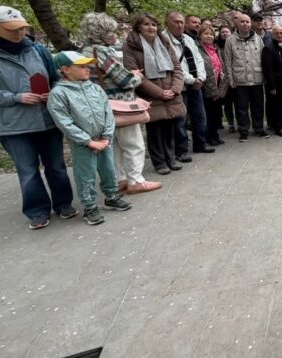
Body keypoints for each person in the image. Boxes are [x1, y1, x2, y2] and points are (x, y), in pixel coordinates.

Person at [0, 5, 74, 229]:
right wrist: (16, 97)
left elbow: (55, 79)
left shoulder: (38, 50)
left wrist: (54, 92)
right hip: (14, 125)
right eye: (11, 29)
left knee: (57, 165)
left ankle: (63, 203)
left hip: (47, 119)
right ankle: (37, 210)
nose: (19, 33)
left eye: (22, 28)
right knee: (27, 170)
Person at [77, 12, 161, 195]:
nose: (115, 34)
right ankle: (136, 181)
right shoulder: (101, 52)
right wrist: (137, 76)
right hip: (119, 105)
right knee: (133, 144)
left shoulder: (84, 51)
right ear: (104, 32)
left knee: (114, 145)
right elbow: (125, 80)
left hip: (100, 106)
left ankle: (119, 179)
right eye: (112, 31)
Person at [47, 51, 132, 225]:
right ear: (65, 69)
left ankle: (111, 196)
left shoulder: (95, 88)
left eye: (87, 66)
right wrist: (88, 141)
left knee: (108, 169)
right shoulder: (58, 93)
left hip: (103, 139)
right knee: (86, 174)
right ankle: (90, 206)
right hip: (83, 143)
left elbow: (108, 112)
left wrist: (107, 136)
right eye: (81, 66)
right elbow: (63, 122)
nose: (87, 69)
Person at [122, 12, 186, 175]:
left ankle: (171, 158)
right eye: (146, 24)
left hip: (170, 91)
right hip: (150, 94)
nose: (151, 28)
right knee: (155, 129)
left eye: (154, 24)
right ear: (138, 27)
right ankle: (159, 162)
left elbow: (177, 68)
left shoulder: (164, 42)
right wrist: (159, 93)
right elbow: (134, 73)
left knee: (170, 126)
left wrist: (174, 89)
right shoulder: (130, 46)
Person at [163, 11, 213, 159]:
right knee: (181, 119)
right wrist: (192, 80)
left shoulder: (188, 39)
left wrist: (201, 78)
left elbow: (198, 59)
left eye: (181, 22)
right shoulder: (163, 40)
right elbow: (174, 65)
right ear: (167, 23)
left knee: (200, 116)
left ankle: (200, 143)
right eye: (176, 22)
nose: (179, 25)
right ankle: (181, 150)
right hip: (180, 85)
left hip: (196, 84)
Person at [224, 12, 269, 141]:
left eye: (247, 22)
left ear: (250, 24)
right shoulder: (230, 40)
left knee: (258, 106)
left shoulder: (258, 39)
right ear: (237, 23)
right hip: (240, 80)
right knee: (241, 107)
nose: (245, 24)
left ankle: (259, 128)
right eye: (242, 21)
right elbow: (228, 61)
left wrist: (265, 77)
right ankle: (243, 131)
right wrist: (231, 79)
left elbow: (263, 59)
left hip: (256, 79)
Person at [198, 23, 228, 146]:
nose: (209, 36)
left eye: (211, 34)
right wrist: (212, 90)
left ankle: (215, 135)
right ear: (200, 35)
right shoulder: (198, 50)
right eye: (206, 34)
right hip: (206, 87)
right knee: (208, 114)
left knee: (216, 113)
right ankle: (208, 137)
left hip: (218, 85)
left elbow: (222, 68)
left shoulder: (216, 50)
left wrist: (221, 89)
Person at [262, 25, 282, 136]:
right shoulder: (268, 48)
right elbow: (268, 69)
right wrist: (272, 86)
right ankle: (277, 127)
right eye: (277, 33)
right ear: (272, 35)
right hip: (276, 84)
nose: (280, 35)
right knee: (276, 106)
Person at [215, 25, 236, 133]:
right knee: (227, 103)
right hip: (223, 79)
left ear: (231, 33)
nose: (225, 34)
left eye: (227, 32)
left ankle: (241, 123)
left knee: (238, 103)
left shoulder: (235, 44)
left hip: (236, 77)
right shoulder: (217, 46)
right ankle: (231, 124)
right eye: (222, 32)